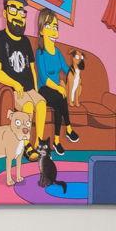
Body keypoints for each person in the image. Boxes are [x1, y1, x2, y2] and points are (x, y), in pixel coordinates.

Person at [0, 0, 40, 156]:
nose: (18, 14)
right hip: (16, 90)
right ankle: (26, 146)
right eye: (13, 9)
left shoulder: (26, 42)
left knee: (40, 104)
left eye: (22, 11)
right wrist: (14, 83)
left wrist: (36, 88)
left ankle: (39, 143)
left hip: (30, 89)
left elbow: (33, 68)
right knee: (28, 105)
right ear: (5, 13)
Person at [32, 9, 79, 152]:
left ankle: (57, 140)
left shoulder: (57, 52)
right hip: (44, 89)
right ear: (41, 31)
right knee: (60, 97)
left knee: (60, 100)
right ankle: (68, 129)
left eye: (55, 27)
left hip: (57, 89)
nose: (53, 31)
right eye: (49, 26)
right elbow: (44, 78)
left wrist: (75, 73)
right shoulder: (40, 53)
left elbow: (65, 68)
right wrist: (59, 87)